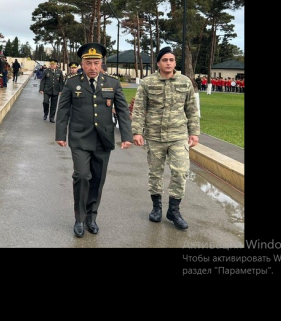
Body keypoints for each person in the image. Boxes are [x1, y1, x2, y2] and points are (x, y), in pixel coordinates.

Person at [55, 43, 133, 237]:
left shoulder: (112, 82)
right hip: (80, 138)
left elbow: (123, 110)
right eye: (88, 63)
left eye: (96, 63)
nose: (92, 67)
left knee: (98, 180)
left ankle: (92, 217)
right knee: (82, 176)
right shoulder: (72, 82)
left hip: (103, 139)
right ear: (82, 63)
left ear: (101, 64)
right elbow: (63, 109)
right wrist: (60, 134)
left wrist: (126, 135)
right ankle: (80, 218)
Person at [131, 46, 200, 230]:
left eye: (171, 60)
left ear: (175, 63)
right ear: (158, 63)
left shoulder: (185, 82)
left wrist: (194, 132)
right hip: (154, 136)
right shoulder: (147, 83)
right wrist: (137, 131)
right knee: (155, 173)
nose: (168, 63)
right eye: (165, 60)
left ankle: (174, 210)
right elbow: (138, 108)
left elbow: (192, 109)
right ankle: (156, 208)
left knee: (180, 172)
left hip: (178, 135)